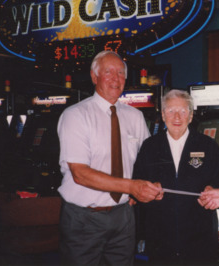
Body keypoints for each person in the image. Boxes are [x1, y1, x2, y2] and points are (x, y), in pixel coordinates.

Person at [57, 50, 162, 265]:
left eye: (121, 73)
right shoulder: (75, 115)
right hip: (84, 218)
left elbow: (147, 159)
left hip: (124, 215)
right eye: (108, 72)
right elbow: (81, 174)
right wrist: (131, 187)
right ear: (94, 77)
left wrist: (143, 185)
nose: (116, 78)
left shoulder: (135, 116)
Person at [132, 89, 219, 265]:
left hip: (200, 241)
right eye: (171, 111)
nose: (177, 117)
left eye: (183, 111)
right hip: (160, 240)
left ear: (190, 116)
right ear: (163, 114)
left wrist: (214, 189)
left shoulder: (207, 145)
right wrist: (147, 191)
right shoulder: (150, 146)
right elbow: (136, 184)